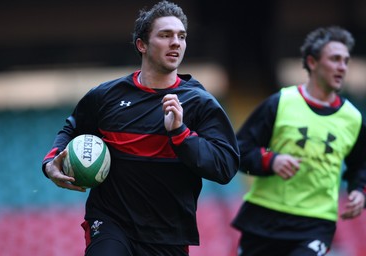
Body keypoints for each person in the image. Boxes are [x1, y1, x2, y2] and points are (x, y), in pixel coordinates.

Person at [42, 1, 240, 255]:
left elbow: (225, 167)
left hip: (168, 234)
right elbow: (72, 130)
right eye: (165, 35)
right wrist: (50, 165)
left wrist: (180, 134)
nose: (176, 42)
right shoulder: (105, 96)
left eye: (181, 36)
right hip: (111, 222)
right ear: (142, 45)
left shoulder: (200, 103)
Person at [231, 26, 366, 256]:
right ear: (312, 63)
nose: (342, 67)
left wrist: (359, 190)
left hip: (316, 223)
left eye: (345, 61)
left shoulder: (353, 118)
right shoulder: (280, 103)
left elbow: (361, 164)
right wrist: (271, 161)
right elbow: (238, 150)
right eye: (335, 59)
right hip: (265, 218)